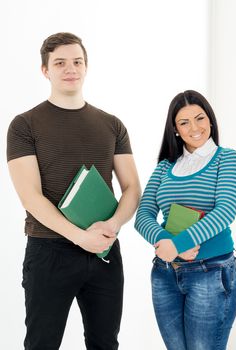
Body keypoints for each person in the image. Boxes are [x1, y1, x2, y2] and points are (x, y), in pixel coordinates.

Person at [6, 32, 141, 349]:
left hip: (105, 249)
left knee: (105, 343)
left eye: (77, 61)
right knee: (42, 343)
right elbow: (30, 198)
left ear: (86, 67)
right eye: (60, 63)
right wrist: (80, 237)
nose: (70, 69)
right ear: (45, 70)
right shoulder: (25, 125)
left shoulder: (112, 124)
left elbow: (132, 187)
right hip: (49, 250)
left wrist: (112, 225)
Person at [134, 90, 236, 350]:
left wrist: (180, 243)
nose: (194, 128)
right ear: (175, 129)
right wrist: (167, 243)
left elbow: (225, 211)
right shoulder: (165, 166)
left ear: (210, 121)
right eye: (184, 122)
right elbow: (143, 215)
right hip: (165, 273)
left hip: (211, 272)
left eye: (200, 118)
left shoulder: (227, 159)